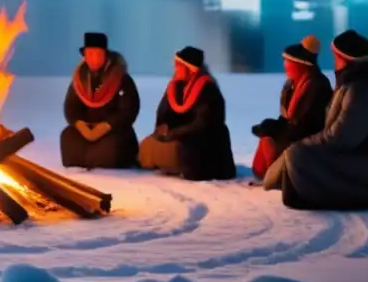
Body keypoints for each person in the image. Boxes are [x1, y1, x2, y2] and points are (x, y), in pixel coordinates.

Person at [264, 30, 368, 210]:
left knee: (298, 155)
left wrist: (302, 146)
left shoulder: (362, 91)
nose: (333, 61)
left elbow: (341, 139)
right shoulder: (350, 87)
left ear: (345, 59)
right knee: (298, 153)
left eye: (335, 56)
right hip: (363, 160)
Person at [139, 46, 236, 181]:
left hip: (201, 138)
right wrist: (163, 126)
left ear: (190, 69)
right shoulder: (174, 87)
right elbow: (163, 111)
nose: (175, 69)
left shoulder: (207, 88)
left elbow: (203, 123)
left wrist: (175, 133)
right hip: (176, 134)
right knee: (147, 145)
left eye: (179, 66)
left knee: (185, 152)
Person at [250, 35, 333, 179]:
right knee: (266, 140)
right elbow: (288, 117)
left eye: (289, 62)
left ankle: (281, 175)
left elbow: (309, 123)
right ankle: (271, 172)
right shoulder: (292, 85)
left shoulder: (317, 86)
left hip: (308, 139)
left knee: (270, 141)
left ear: (300, 65)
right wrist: (272, 125)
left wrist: (277, 130)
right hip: (294, 132)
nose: (285, 65)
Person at [60, 32, 141, 169]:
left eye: (98, 54)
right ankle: (84, 160)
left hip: (113, 129)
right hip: (87, 127)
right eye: (90, 54)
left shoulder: (120, 78)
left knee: (111, 147)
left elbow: (129, 109)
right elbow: (71, 107)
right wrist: (81, 126)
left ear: (106, 55)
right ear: (84, 55)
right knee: (68, 136)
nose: (94, 59)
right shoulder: (80, 79)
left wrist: (106, 126)